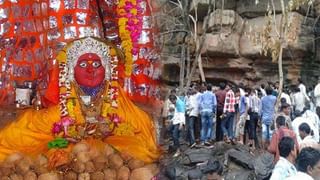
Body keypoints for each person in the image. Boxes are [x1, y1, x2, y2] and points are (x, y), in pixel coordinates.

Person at [0, 37, 160, 163]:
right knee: (53, 149)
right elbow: (35, 128)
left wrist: (111, 130)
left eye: (97, 64)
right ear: (71, 71)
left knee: (135, 149)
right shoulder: (67, 98)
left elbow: (138, 125)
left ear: (106, 69)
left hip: (111, 144)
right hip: (69, 143)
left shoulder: (114, 95)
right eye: (83, 64)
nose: (90, 69)